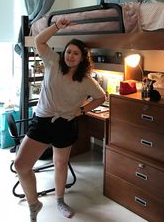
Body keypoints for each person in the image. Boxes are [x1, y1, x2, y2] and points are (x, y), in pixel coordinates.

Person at [14, 18, 106, 222]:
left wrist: (81, 111)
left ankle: (60, 200)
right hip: (43, 121)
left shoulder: (86, 81)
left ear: (82, 58)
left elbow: (101, 97)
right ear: (63, 54)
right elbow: (39, 41)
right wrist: (56, 26)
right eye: (68, 51)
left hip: (65, 124)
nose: (70, 55)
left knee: (60, 164)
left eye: (76, 53)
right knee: (21, 165)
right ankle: (33, 203)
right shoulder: (52, 62)